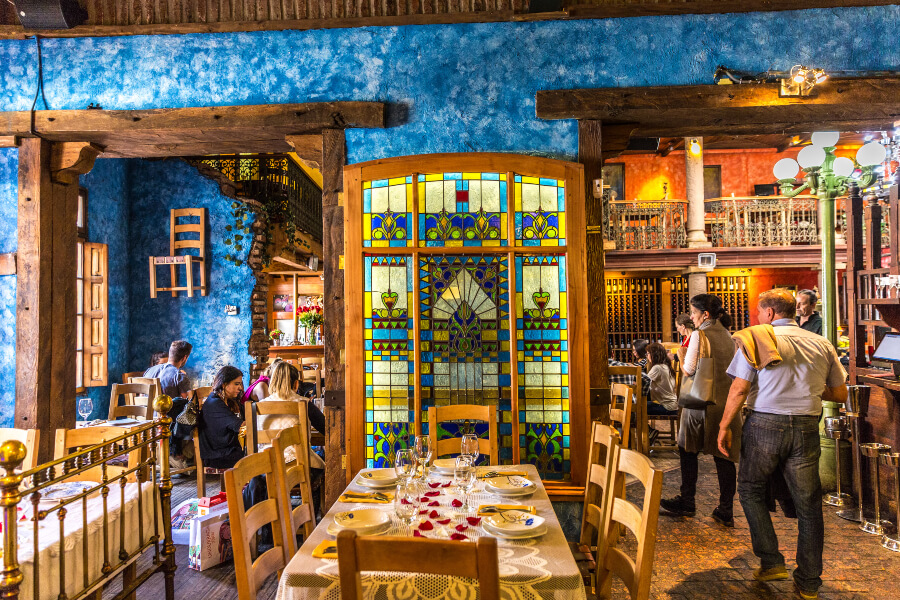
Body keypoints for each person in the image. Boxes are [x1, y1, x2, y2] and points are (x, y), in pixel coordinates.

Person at [718, 289, 847, 600]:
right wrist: (807, 391)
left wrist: (724, 427)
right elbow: (839, 394)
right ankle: (809, 583)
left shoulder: (758, 338)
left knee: (750, 489)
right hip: (806, 427)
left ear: (770, 314)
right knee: (809, 506)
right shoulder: (821, 342)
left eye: (761, 312)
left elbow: (739, 388)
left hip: (764, 423)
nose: (760, 318)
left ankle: (772, 560)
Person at [660, 294, 741, 529]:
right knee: (723, 455)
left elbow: (689, 370)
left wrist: (680, 355)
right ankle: (726, 509)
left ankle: (687, 501)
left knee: (687, 449)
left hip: (701, 402)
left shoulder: (699, 334)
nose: (692, 318)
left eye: (694, 313)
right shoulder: (729, 335)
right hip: (726, 403)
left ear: (705, 314)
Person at [144, 340, 193, 470]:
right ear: (184, 358)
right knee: (192, 413)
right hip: (166, 422)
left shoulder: (149, 371)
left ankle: (167, 454)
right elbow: (189, 400)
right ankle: (177, 454)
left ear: (170, 354)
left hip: (145, 419)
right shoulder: (179, 375)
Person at [197, 366, 246, 469]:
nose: (240, 388)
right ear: (224, 385)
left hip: (228, 450)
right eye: (236, 384)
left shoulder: (228, 401)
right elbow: (241, 425)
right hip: (217, 456)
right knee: (256, 455)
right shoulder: (215, 403)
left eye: (240, 384)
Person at [645, 342, 678, 448]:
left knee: (636, 408)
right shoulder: (666, 366)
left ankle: (649, 431)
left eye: (648, 353)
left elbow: (644, 381)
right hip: (673, 405)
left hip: (666, 406)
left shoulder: (657, 368)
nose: (647, 356)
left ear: (654, 355)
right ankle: (649, 431)